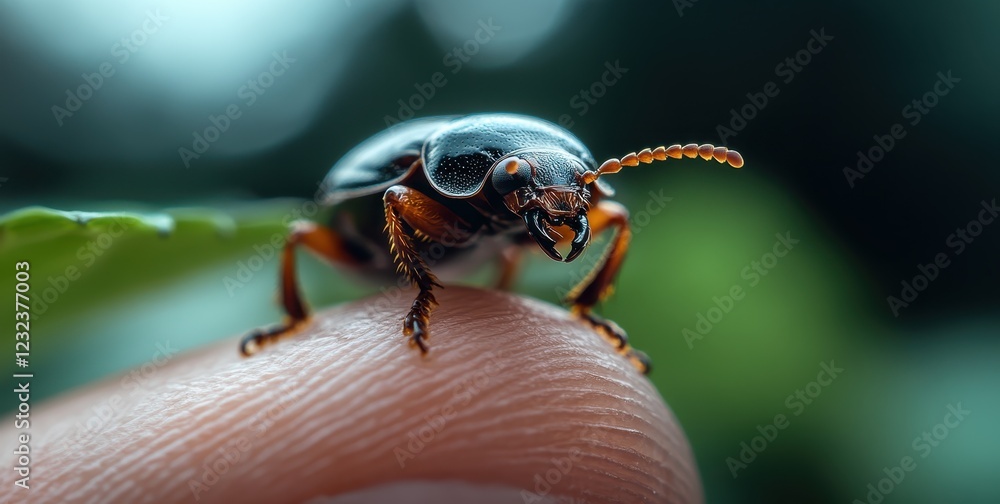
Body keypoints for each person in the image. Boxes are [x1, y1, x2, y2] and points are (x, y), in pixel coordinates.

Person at [9, 287, 701, 503]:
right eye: (528, 186)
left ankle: (582, 310)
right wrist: (425, 295)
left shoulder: (533, 188)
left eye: (569, 194)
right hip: (372, 232)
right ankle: (296, 319)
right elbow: (388, 204)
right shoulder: (424, 187)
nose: (563, 212)